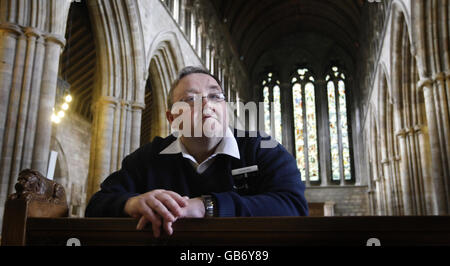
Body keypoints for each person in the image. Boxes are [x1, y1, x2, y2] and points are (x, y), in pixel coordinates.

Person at [85, 66, 308, 237]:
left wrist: (206, 206)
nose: (206, 105)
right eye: (190, 99)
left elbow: (293, 206)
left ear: (225, 109)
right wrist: (131, 204)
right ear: (172, 118)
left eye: (215, 96)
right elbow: (96, 205)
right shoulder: (148, 158)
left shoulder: (262, 148)